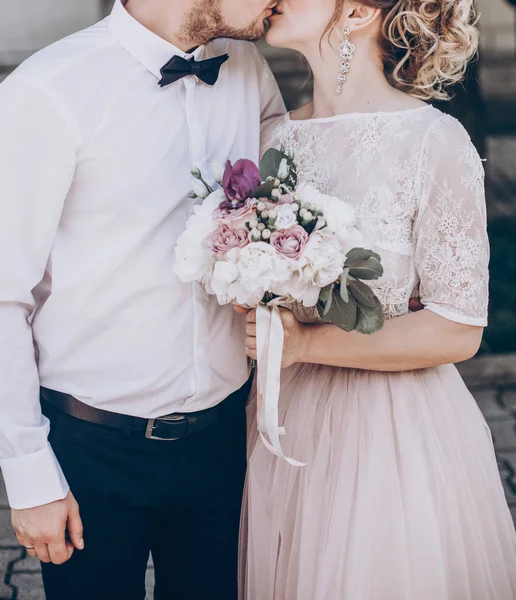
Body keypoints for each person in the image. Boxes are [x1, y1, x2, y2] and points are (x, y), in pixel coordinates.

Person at [0, 0, 285, 598]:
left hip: (223, 439)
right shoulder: (47, 91)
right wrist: (29, 476)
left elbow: (283, 202)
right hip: (91, 448)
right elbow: (4, 296)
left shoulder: (248, 67)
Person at [239, 1, 516, 598]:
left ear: (361, 11)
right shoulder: (271, 138)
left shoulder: (433, 142)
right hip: (285, 421)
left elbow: (456, 329)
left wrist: (306, 342)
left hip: (392, 428)